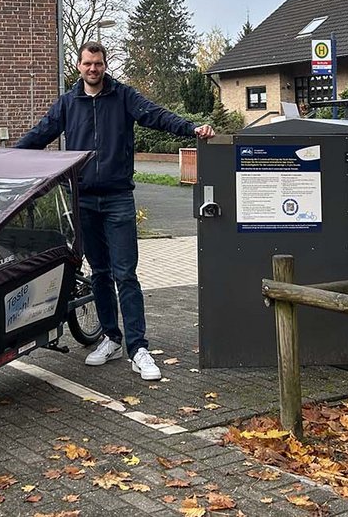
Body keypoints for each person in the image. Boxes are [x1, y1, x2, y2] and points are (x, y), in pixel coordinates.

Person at [16, 42, 215, 381]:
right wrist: (5, 158)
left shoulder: (122, 96)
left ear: (105, 66)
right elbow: (40, 134)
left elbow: (156, 115)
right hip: (84, 199)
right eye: (87, 64)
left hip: (118, 198)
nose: (93, 69)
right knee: (101, 273)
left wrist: (190, 128)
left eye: (98, 64)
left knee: (126, 273)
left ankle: (138, 348)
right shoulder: (68, 103)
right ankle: (111, 337)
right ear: (78, 66)